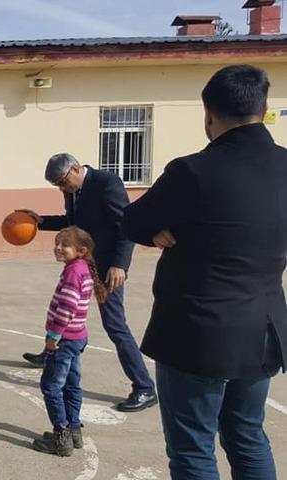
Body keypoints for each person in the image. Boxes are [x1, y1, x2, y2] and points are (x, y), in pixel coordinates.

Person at [122, 64, 286, 479]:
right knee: (248, 436)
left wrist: (156, 230)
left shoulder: (192, 171)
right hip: (264, 330)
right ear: (263, 108)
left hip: (198, 333)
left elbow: (132, 220)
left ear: (208, 115)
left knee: (193, 449)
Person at [18, 153, 157, 412]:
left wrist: (120, 265)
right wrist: (42, 221)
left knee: (115, 324)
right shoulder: (73, 191)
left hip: (107, 268)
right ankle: (51, 353)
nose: (62, 189)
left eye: (62, 182)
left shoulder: (107, 183)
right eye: (57, 185)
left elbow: (125, 226)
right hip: (83, 264)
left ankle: (144, 387)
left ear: (74, 169)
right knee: (64, 307)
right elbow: (74, 224)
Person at [32, 227, 107, 456]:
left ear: (81, 251)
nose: (58, 248)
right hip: (77, 337)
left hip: (64, 340)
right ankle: (74, 431)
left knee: (51, 386)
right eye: (57, 243)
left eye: (64, 245)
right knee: (72, 384)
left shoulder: (74, 272)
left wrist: (53, 337)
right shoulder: (80, 268)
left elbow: (66, 308)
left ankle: (61, 437)